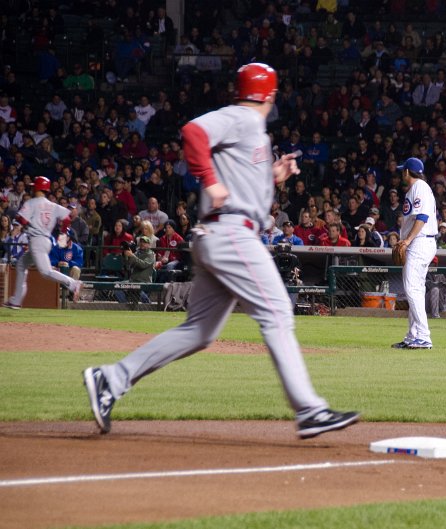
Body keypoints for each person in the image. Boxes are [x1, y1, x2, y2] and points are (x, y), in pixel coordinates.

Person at [82, 63, 359, 439]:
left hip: (222, 234)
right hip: (232, 235)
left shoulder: (252, 129)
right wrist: (209, 182)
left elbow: (241, 178)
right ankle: (309, 409)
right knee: (277, 310)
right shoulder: (243, 118)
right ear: (271, 95)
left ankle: (111, 378)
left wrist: (273, 174)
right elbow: (193, 132)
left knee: (199, 332)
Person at [4, 177, 82, 309]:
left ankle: (73, 284)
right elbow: (67, 218)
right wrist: (62, 236)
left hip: (36, 240)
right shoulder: (52, 205)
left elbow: (20, 219)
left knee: (45, 272)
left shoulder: (32, 203)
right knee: (21, 264)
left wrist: (27, 223)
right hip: (46, 240)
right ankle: (16, 300)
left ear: (37, 188)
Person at [391, 157, 438, 349]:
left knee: (412, 289)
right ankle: (413, 336)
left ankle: (424, 336)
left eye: (404, 170)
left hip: (420, 242)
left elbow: (423, 217)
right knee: (415, 290)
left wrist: (408, 239)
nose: (402, 173)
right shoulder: (415, 188)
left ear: (407, 172)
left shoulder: (420, 186)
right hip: (418, 243)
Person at [115, 234, 156, 304]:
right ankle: (124, 305)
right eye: (141, 242)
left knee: (137, 288)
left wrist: (132, 255)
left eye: (145, 242)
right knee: (116, 286)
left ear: (149, 245)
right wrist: (126, 256)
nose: (142, 244)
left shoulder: (151, 254)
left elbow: (143, 265)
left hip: (144, 281)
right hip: (133, 280)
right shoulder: (137, 252)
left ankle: (148, 303)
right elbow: (128, 265)